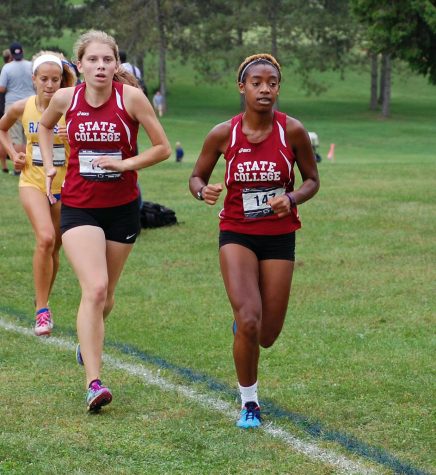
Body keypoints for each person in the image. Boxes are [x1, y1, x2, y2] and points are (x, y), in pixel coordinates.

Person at [38, 30, 171, 413]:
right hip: (80, 206)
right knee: (94, 289)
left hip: (123, 207)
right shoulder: (66, 98)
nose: (100, 66)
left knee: (106, 296)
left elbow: (162, 147)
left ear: (116, 65)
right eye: (93, 60)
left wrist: (125, 164)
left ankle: (87, 338)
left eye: (107, 60)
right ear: (79, 66)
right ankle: (94, 383)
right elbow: (45, 127)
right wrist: (49, 165)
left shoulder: (131, 98)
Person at [189, 54, 320, 429]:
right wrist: (204, 192)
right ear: (242, 87)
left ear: (279, 88)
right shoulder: (222, 133)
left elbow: (312, 180)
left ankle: (245, 331)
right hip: (237, 233)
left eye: (272, 83)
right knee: (248, 318)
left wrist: (291, 198)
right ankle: (249, 403)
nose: (265, 89)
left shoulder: (292, 131)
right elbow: (196, 176)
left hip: (279, 237)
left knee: (267, 334)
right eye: (257, 83)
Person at [0, 51, 76, 336]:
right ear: (33, 79)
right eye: (43, 79)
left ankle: (42, 297)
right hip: (32, 182)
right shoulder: (23, 106)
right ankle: (42, 310)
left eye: (55, 80)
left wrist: (72, 138)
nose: (49, 85)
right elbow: (2, 129)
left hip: (64, 185)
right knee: (45, 238)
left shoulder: (71, 109)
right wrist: (13, 155)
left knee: (54, 246)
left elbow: (85, 147)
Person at [0, 42, 35, 175]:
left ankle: (18, 168)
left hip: (13, 104)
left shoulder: (7, 68)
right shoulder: (31, 66)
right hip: (30, 102)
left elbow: (2, 88)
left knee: (16, 137)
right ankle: (30, 164)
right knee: (29, 136)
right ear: (22, 52)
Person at [0, 48, 12, 173]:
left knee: (3, 135)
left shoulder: (3, 70)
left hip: (2, 105)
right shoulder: (9, 70)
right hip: (6, 106)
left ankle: (4, 165)